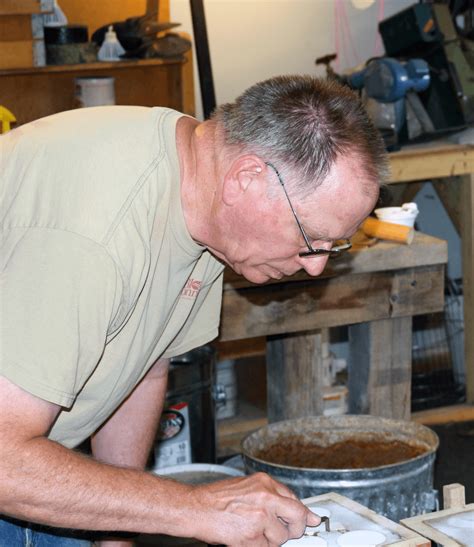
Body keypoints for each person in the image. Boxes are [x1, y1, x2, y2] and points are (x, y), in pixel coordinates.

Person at [0, 74, 388, 547]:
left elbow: (141, 369)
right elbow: (4, 461)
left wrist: (117, 534)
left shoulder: (205, 205)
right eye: (311, 240)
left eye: (335, 245)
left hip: (29, 462)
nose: (315, 267)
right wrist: (193, 508)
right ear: (247, 178)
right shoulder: (93, 235)